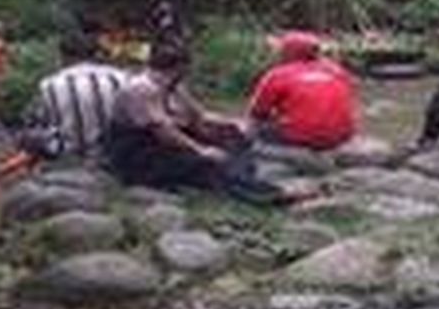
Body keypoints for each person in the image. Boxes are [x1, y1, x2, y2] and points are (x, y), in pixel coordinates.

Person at [104, 42, 296, 205]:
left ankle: (240, 178)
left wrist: (233, 123)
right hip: (139, 153)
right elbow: (164, 131)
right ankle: (271, 195)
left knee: (234, 137)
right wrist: (200, 149)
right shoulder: (141, 89)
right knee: (207, 163)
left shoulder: (174, 86)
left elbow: (200, 115)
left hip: (166, 141)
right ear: (179, 67)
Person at [0, 31, 129, 185]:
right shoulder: (120, 78)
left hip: (67, 152)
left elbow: (38, 132)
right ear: (96, 54)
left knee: (35, 133)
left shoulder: (49, 84)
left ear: (63, 57)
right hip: (113, 153)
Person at [249, 30, 360, 150]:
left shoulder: (277, 75)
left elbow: (257, 112)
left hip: (300, 137)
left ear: (288, 52)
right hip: (341, 137)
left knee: (255, 128)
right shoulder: (338, 71)